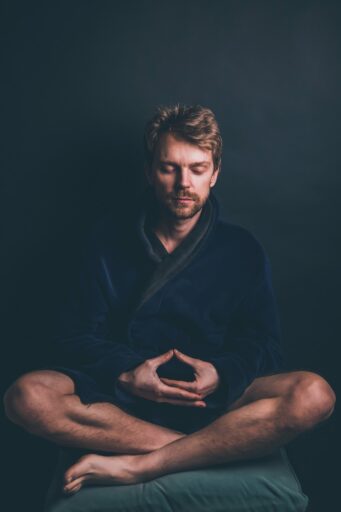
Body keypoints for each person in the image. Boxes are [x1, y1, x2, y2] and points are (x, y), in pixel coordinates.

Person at [4, 104, 336, 495]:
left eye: (197, 168)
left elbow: (264, 346)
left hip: (209, 401)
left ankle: (145, 464)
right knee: (25, 396)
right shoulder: (105, 241)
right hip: (125, 400)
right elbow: (72, 337)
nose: (184, 183)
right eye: (169, 167)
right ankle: (211, 450)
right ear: (149, 172)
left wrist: (221, 375)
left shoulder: (242, 250)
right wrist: (128, 372)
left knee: (315, 394)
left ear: (215, 174)